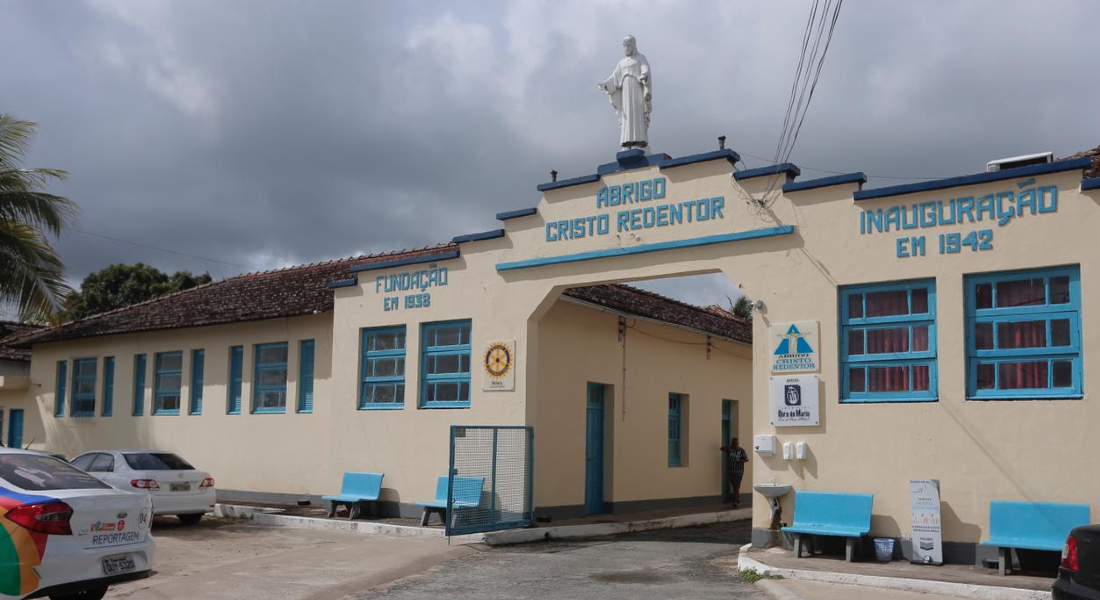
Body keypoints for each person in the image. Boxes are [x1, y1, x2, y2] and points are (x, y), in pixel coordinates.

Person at [721, 437, 749, 508]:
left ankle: (735, 502)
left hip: (739, 471)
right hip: (731, 471)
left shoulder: (741, 450)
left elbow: (746, 459)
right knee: (734, 487)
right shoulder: (730, 450)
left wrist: (740, 461)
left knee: (736, 486)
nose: (734, 445)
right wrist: (729, 448)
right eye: (733, 443)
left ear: (738, 443)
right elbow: (721, 448)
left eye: (735, 443)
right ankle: (738, 500)